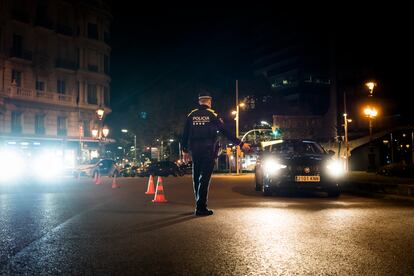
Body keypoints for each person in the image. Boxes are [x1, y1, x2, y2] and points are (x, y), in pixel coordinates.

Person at [181, 91, 250, 216]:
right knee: (205, 179)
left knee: (196, 177)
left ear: (199, 101)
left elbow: (185, 134)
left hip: (195, 150)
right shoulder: (213, 115)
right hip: (208, 150)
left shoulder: (191, 115)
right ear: (209, 102)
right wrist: (240, 143)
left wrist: (184, 150)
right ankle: (201, 208)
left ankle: (198, 205)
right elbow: (225, 132)